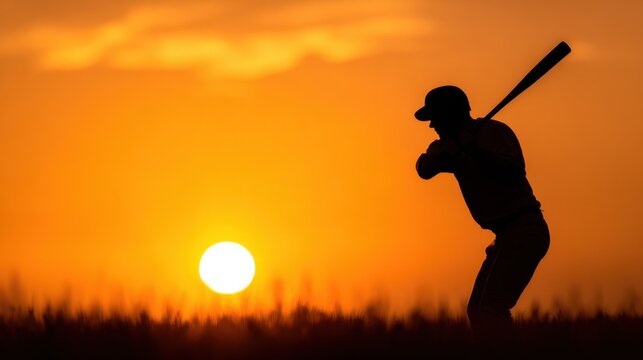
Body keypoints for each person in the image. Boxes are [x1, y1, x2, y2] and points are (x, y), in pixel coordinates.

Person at [414, 85, 550, 333]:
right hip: (505, 236)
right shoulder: (447, 146)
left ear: (450, 116)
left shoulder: (494, 133)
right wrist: (449, 153)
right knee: (477, 310)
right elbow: (423, 168)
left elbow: (513, 172)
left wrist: (474, 151)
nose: (432, 125)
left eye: (436, 118)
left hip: (524, 230)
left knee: (490, 309)